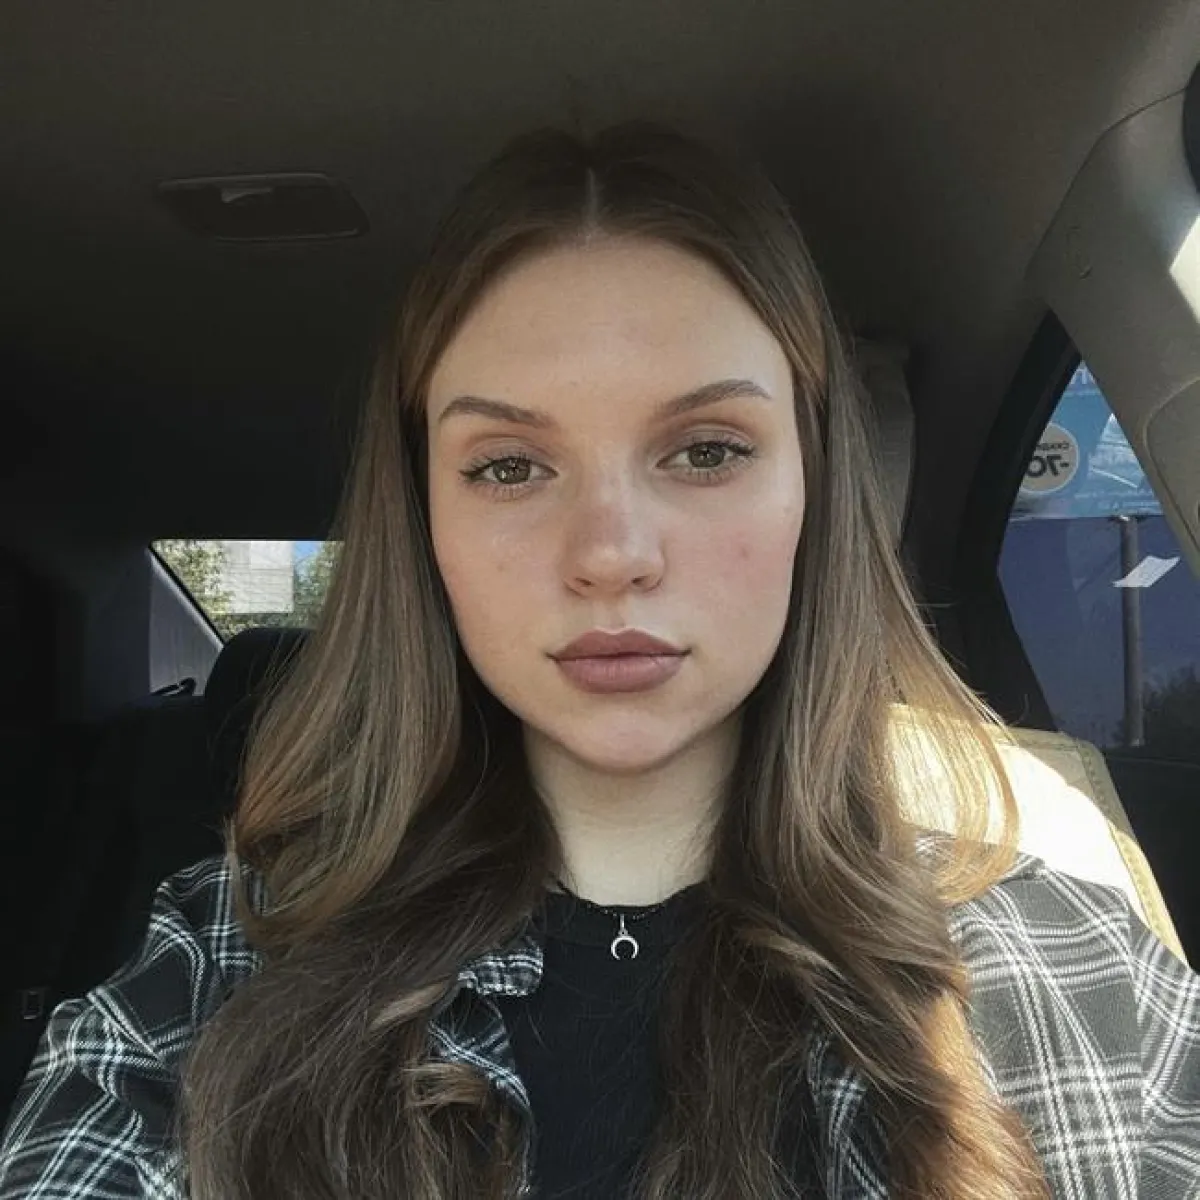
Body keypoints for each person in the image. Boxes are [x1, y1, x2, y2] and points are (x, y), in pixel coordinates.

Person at [1, 120, 1197, 1200]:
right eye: (509, 466)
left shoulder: (1076, 973)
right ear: (425, 525)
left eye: (708, 449)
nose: (611, 555)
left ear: (816, 489)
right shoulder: (222, 963)